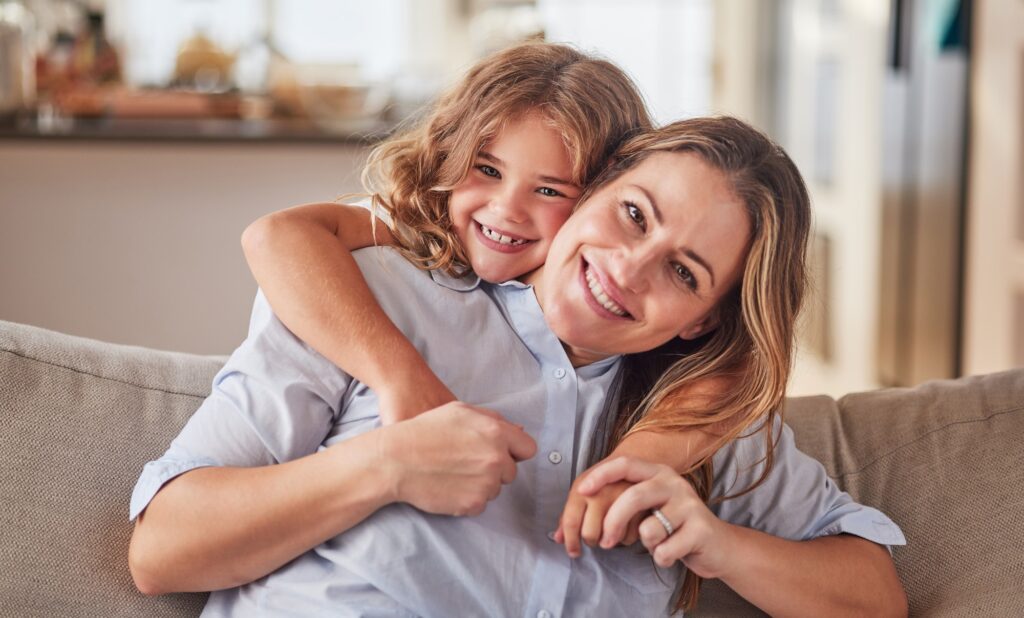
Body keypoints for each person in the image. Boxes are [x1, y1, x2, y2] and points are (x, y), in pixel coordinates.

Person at [128, 117, 907, 616]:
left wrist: (715, 543)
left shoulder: (701, 425)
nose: (628, 268)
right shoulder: (374, 300)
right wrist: (384, 465)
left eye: (685, 273)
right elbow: (162, 551)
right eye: (633, 213)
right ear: (590, 189)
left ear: (703, 319)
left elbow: (874, 599)